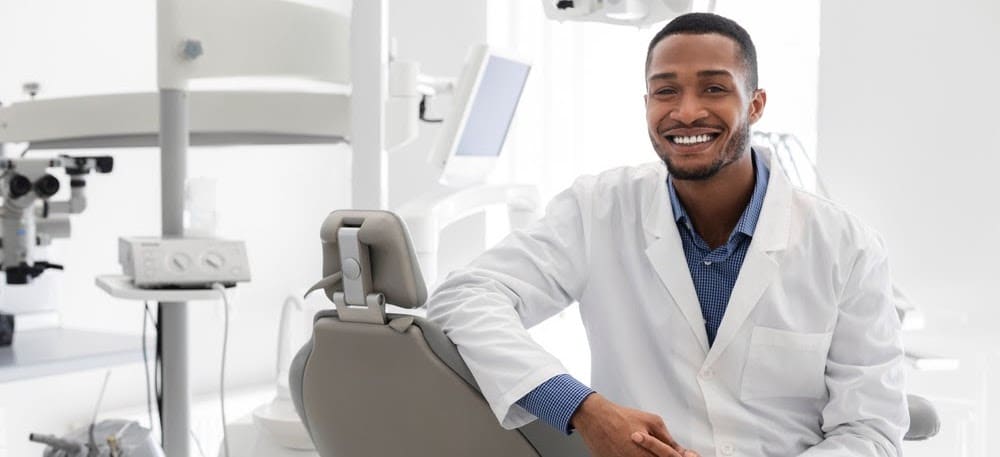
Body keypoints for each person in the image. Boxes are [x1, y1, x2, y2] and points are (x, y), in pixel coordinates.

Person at [425, 12, 908, 457]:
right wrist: (582, 408)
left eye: (715, 89)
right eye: (666, 91)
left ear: (756, 104)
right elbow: (465, 297)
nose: (687, 111)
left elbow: (871, 430)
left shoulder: (846, 246)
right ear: (647, 104)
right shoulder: (599, 208)